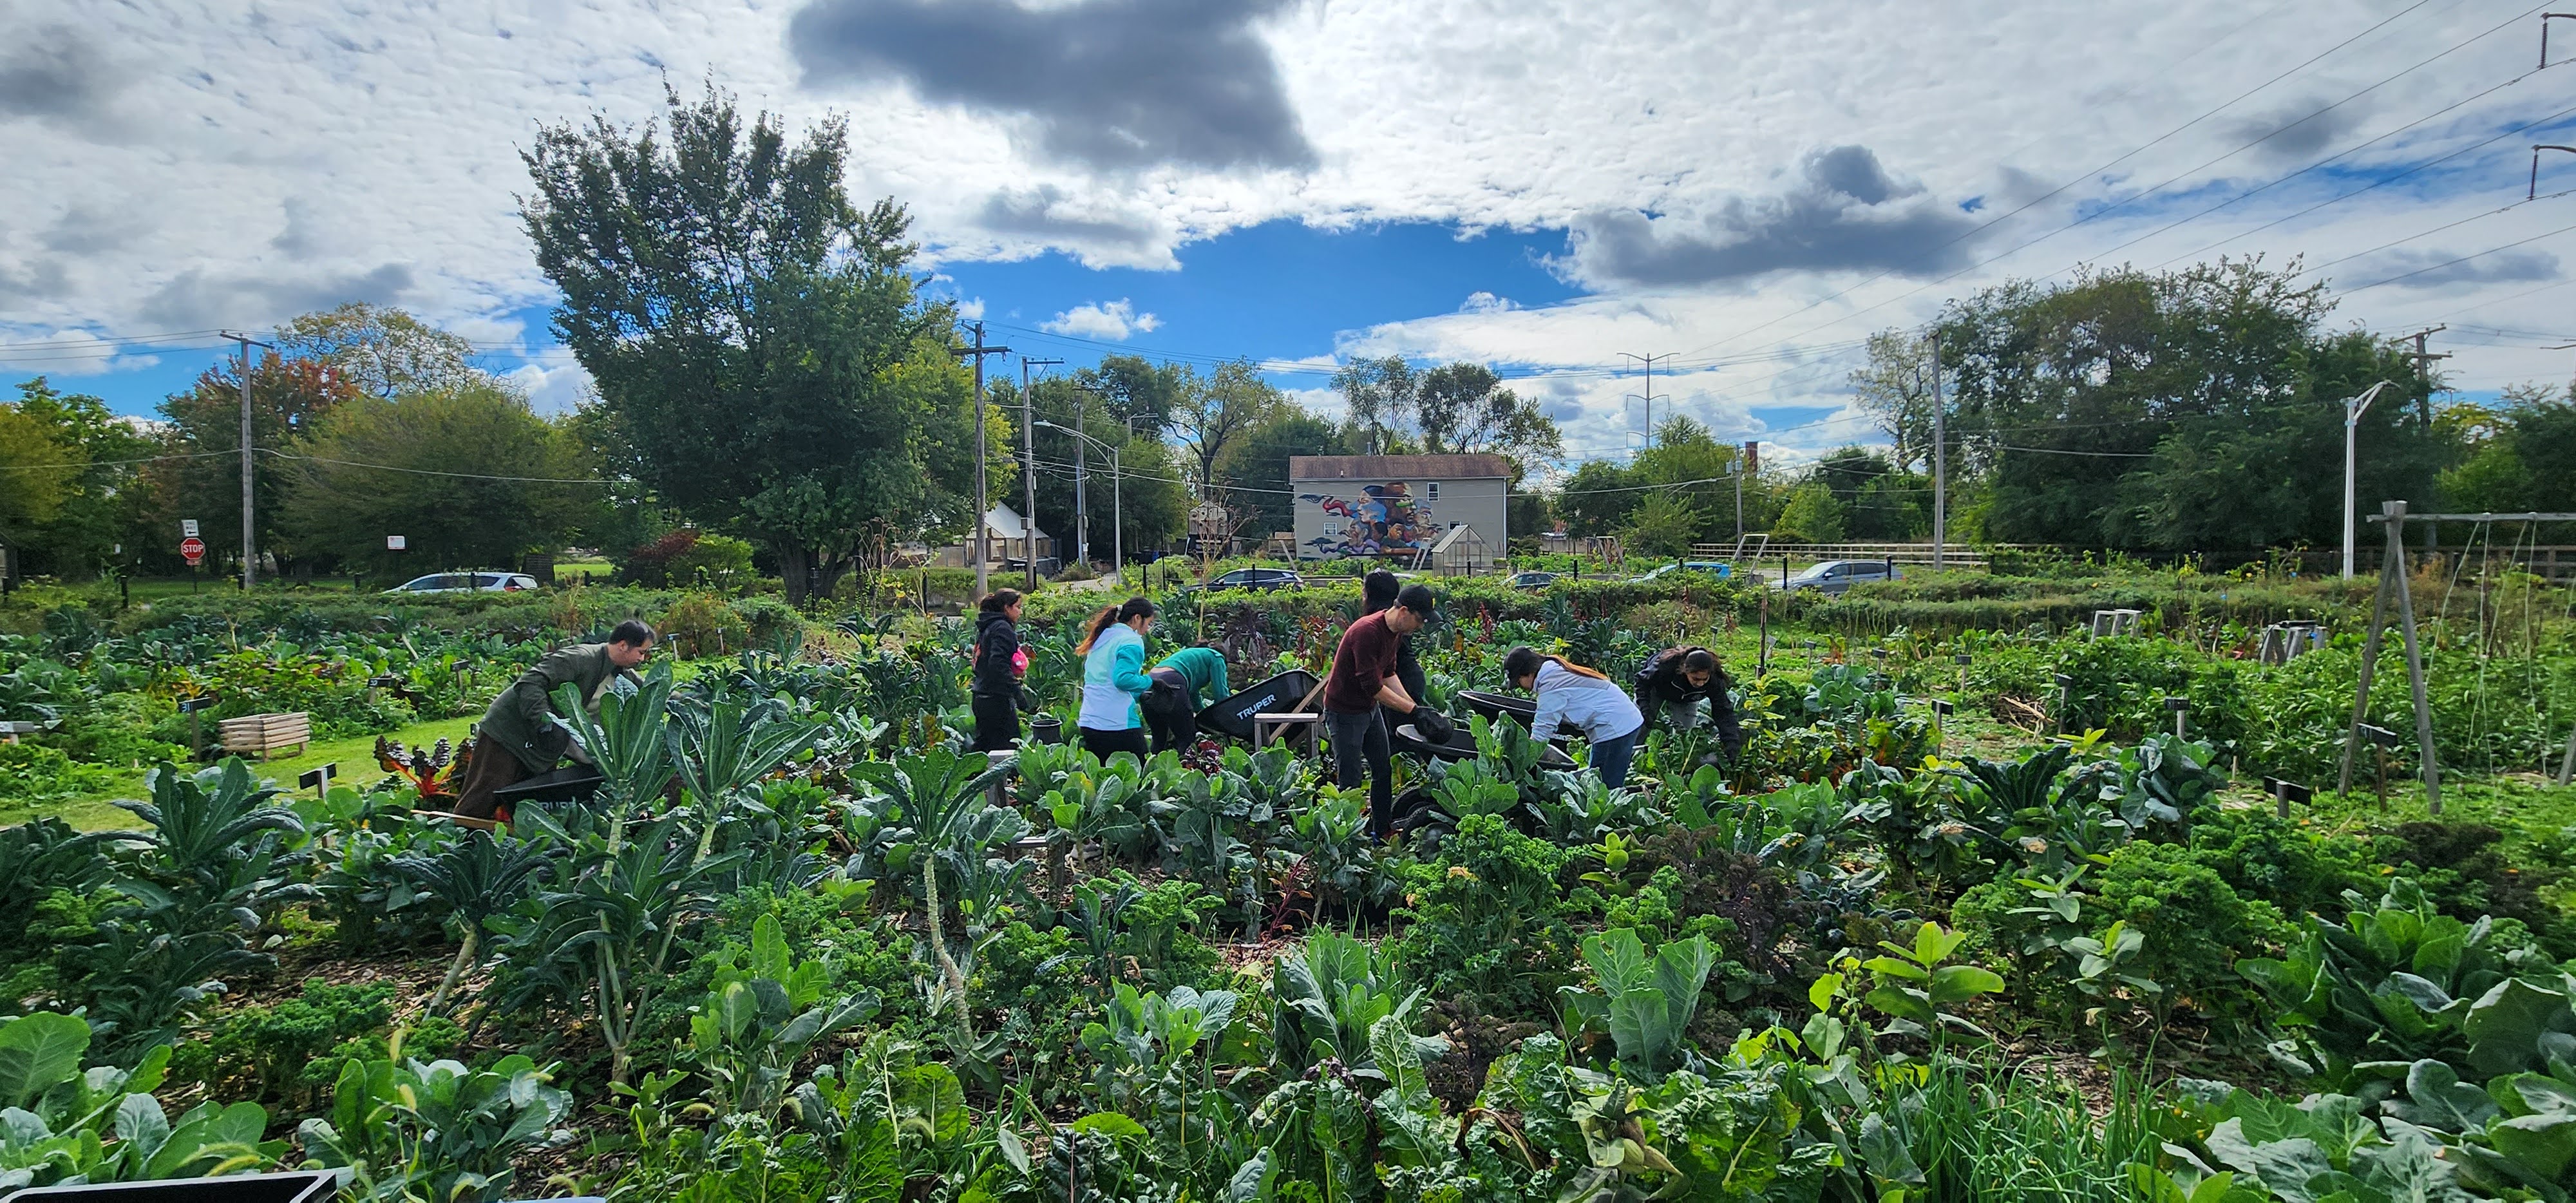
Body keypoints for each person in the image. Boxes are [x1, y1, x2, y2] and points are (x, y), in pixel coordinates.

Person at [451, 619, 657, 819]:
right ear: (623, 645)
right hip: (509, 730)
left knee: (532, 799)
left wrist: (680, 699)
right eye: (641, 652)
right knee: (486, 791)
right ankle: (460, 838)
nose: (643, 658)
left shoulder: (620, 673)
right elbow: (530, 683)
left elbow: (652, 689)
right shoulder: (581, 658)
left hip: (544, 742)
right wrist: (544, 721)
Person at [1323, 583, 1445, 838]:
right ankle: (1349, 839)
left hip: (1368, 711)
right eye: (1420, 620)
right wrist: (1413, 711)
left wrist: (1417, 707)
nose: (1421, 626)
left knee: (1382, 769)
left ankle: (1382, 829)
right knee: (1351, 780)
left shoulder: (1395, 633)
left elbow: (1389, 674)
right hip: (1344, 712)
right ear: (1404, 611)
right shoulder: (1367, 632)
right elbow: (1373, 687)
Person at [1504, 645, 1647, 789]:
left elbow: (1543, 729)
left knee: (1604, 788)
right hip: (1620, 720)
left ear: (1529, 674)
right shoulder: (1552, 671)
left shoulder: (1550, 683)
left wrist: (1523, 762)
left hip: (1615, 726)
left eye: (1518, 681)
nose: (1520, 686)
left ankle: (1618, 810)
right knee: (1596, 781)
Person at [1075, 597, 1158, 761]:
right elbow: (1123, 680)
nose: (1148, 629)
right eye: (1148, 623)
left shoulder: (1103, 635)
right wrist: (1151, 682)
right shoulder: (1131, 640)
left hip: (1089, 721)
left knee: (1102, 780)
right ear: (1137, 618)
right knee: (1139, 775)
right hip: (1116, 723)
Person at [1633, 645, 1746, 757]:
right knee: (1639, 724)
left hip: (1687, 698)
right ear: (1685, 671)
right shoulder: (1665, 666)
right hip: (1655, 688)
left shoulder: (1715, 681)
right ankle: (1629, 755)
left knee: (1686, 739)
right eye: (1696, 679)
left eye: (1704, 679)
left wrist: (1732, 742)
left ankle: (1677, 768)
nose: (1700, 684)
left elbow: (1723, 711)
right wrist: (1645, 709)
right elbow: (1642, 683)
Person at [1142, 645, 1230, 753]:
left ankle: (1152, 768)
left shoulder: (1192, 656)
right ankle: (1185, 769)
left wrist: (1203, 716)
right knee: (1186, 739)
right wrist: (1227, 722)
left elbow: (1194, 697)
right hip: (1171, 682)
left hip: (1149, 684)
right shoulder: (1217, 657)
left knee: (1159, 739)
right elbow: (1221, 695)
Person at [970, 589, 1027, 752]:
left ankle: (970, 776)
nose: (1020, 612)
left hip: (981, 696)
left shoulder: (989, 625)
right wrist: (1018, 692)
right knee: (1009, 750)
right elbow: (998, 665)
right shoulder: (1002, 628)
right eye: (1018, 607)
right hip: (996, 699)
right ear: (1006, 608)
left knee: (984, 748)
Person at [1359, 569, 1427, 708]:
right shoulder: (1381, 624)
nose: (1420, 627)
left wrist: (1413, 709)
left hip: (1400, 684)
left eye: (1364, 591)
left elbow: (1384, 675)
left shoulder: (1392, 624)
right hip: (1406, 681)